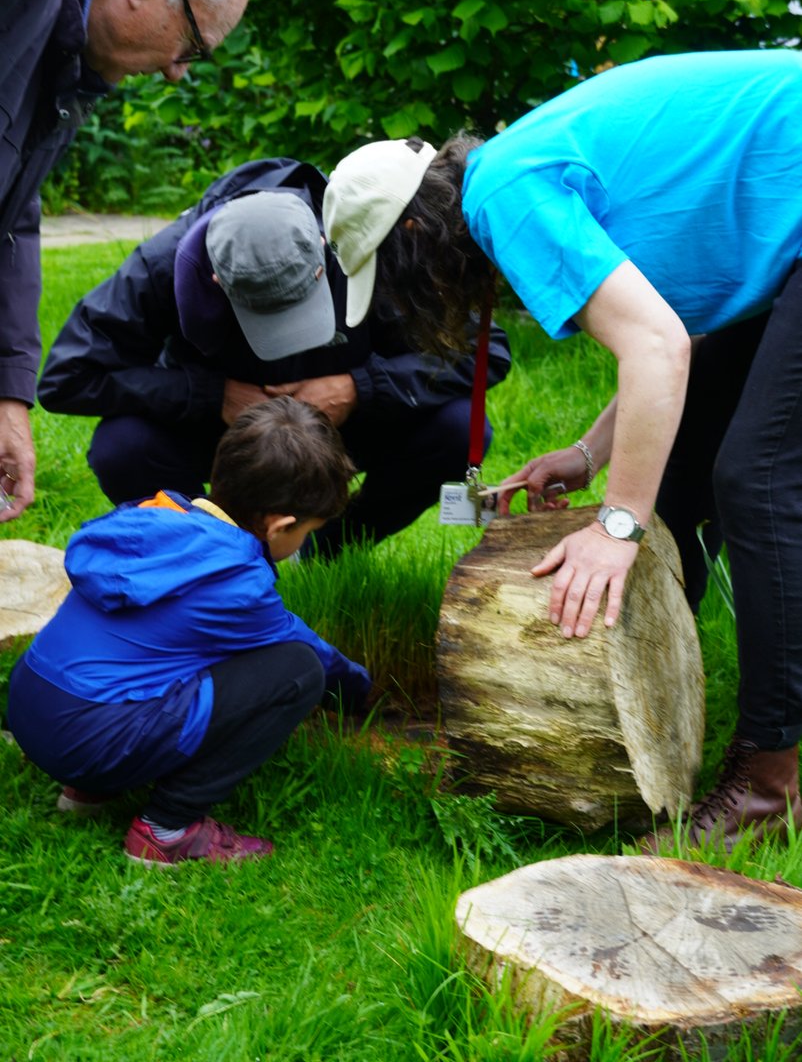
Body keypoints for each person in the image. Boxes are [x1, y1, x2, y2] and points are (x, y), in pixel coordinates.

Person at [321, 48, 802, 849]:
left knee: (757, 480)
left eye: (397, 276)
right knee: (686, 470)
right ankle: (651, 696)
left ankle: (767, 786)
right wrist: (588, 454)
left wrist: (616, 526)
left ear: (413, 233)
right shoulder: (511, 172)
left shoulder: (505, 198)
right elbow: (677, 332)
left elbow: (656, 349)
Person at [37, 158, 511, 558]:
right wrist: (211, 395)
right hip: (224, 433)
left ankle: (327, 548)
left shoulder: (363, 239)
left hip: (344, 422)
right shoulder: (160, 266)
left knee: (457, 428)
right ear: (216, 279)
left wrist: (360, 388)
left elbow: (486, 350)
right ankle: (212, 556)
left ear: (323, 253)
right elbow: (67, 378)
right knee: (122, 447)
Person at [6, 396, 371, 866]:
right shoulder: (235, 582)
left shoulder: (155, 515)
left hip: (31, 708)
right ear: (280, 526)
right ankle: (168, 828)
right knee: (297, 670)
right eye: (307, 532)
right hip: (89, 740)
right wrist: (360, 690)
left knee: (156, 653)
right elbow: (307, 649)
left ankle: (89, 789)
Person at [0, 0, 253, 523]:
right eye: (192, 46)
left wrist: (7, 393)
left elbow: (12, 214)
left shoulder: (73, 43)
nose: (176, 73)